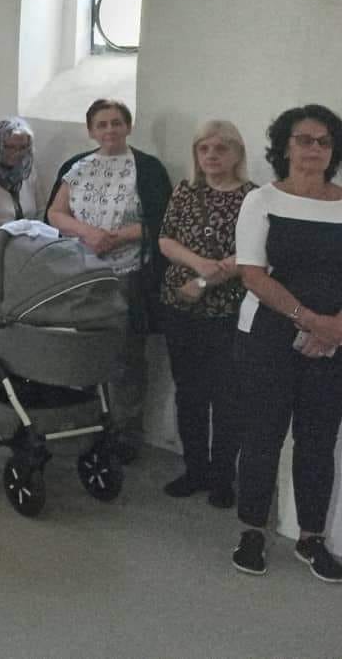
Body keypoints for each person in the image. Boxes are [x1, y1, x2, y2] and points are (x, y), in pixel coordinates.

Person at [229, 105, 342, 581]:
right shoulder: (262, 201)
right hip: (270, 333)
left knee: (318, 440)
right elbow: (252, 274)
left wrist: (334, 328)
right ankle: (252, 532)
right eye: (304, 140)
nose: (314, 149)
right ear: (285, 147)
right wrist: (310, 321)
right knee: (262, 435)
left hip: (333, 340)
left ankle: (311, 538)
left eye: (324, 141)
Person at [46, 99, 171, 450]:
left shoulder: (148, 168)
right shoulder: (77, 167)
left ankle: (126, 433)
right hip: (82, 275)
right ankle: (84, 422)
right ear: (90, 131)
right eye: (101, 124)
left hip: (128, 274)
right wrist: (88, 233)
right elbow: (55, 213)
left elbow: (162, 221)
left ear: (128, 126)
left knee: (126, 357)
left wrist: (115, 237)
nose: (110, 130)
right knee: (83, 351)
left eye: (116, 122)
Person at [156, 119, 255, 506]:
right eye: (204, 148)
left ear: (236, 153)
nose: (211, 155)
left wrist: (206, 280)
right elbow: (166, 239)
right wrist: (199, 266)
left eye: (221, 148)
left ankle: (222, 477)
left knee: (227, 397)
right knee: (189, 392)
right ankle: (194, 469)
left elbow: (253, 253)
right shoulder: (186, 190)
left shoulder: (252, 197)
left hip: (227, 310)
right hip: (180, 305)